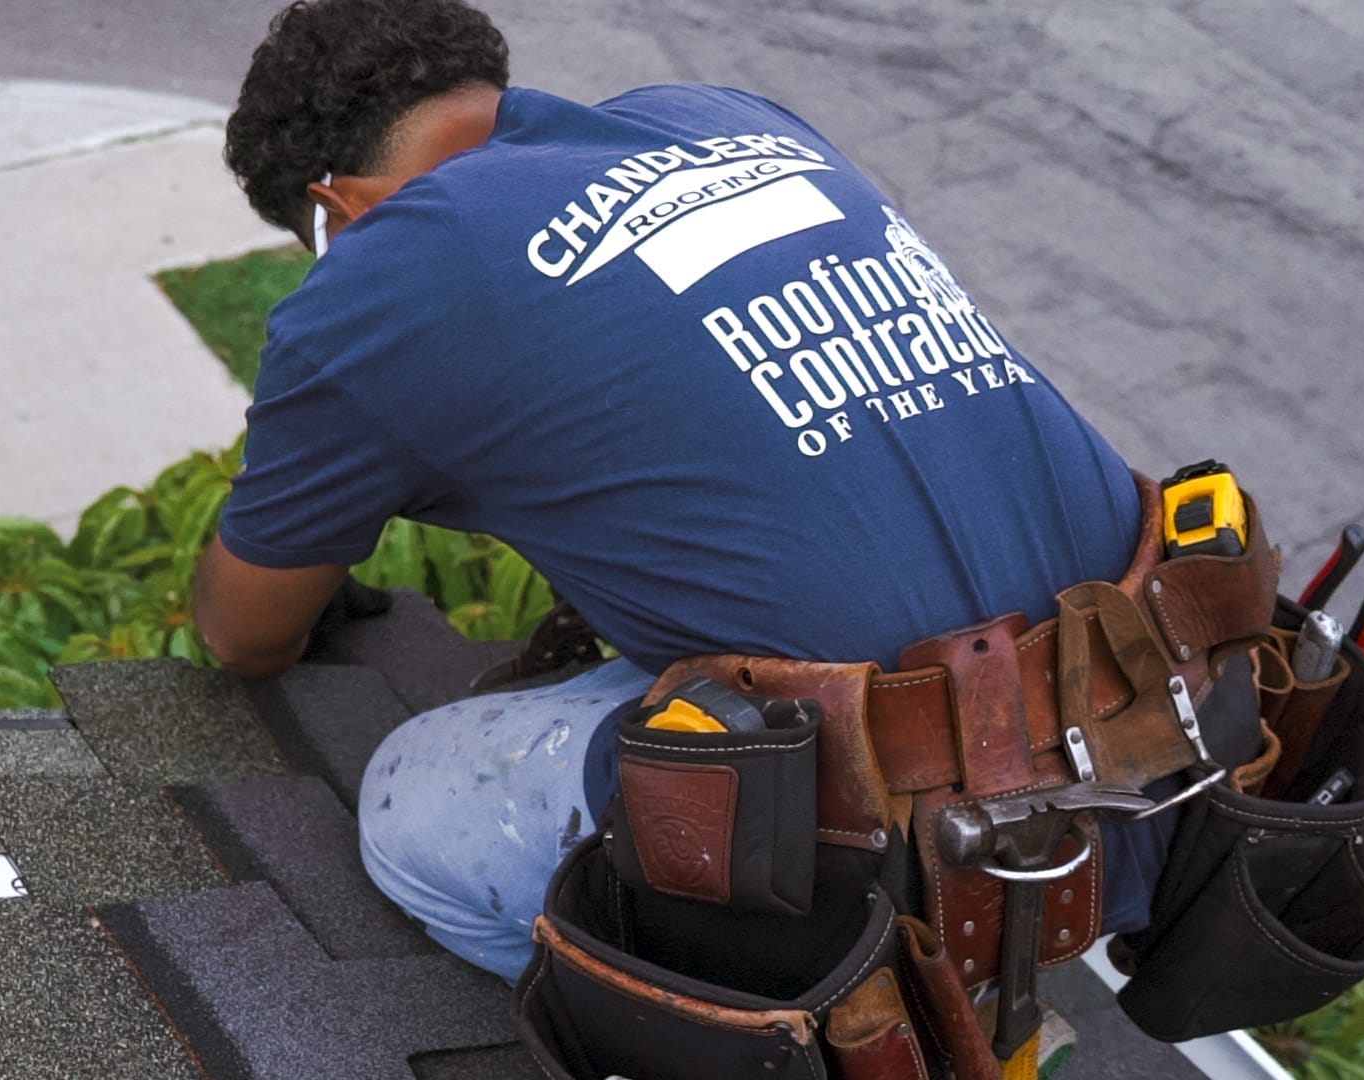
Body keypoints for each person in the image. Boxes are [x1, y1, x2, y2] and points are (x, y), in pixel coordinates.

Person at [192, 0, 1170, 985]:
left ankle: (725, 1025)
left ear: (340, 208)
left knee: (417, 798)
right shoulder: (730, 119)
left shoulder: (387, 267)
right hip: (1162, 741)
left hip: (917, 847)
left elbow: (247, 633)